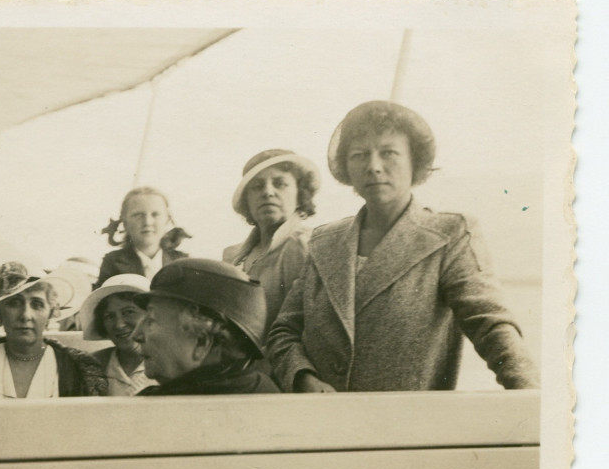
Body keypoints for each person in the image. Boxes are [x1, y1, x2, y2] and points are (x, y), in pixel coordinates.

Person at [268, 100, 539, 393]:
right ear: (346, 168)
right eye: (359, 155)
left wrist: (529, 397)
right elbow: (283, 332)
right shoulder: (324, 242)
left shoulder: (449, 235)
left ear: (415, 163)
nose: (373, 167)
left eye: (389, 153)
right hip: (321, 426)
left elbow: (491, 326)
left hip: (405, 428)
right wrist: (303, 378)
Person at [0, 262, 107, 399]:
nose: (25, 315)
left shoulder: (69, 367)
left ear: (51, 313)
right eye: (13, 303)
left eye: (37, 304)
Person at [131, 258, 279, 395]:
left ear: (202, 342)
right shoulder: (260, 396)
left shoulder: (169, 409)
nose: (136, 335)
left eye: (151, 320)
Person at [223, 149, 320, 335]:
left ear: (300, 195)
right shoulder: (232, 257)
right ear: (247, 200)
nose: (268, 192)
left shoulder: (306, 246)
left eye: (280, 184)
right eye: (257, 186)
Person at [78, 273, 158, 396]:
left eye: (129, 312)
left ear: (151, 315)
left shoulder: (173, 364)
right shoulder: (91, 365)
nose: (119, 325)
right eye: (110, 316)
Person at [96, 187, 189, 288]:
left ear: (167, 220)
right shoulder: (113, 262)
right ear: (125, 222)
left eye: (155, 214)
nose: (147, 222)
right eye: (138, 215)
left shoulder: (182, 263)